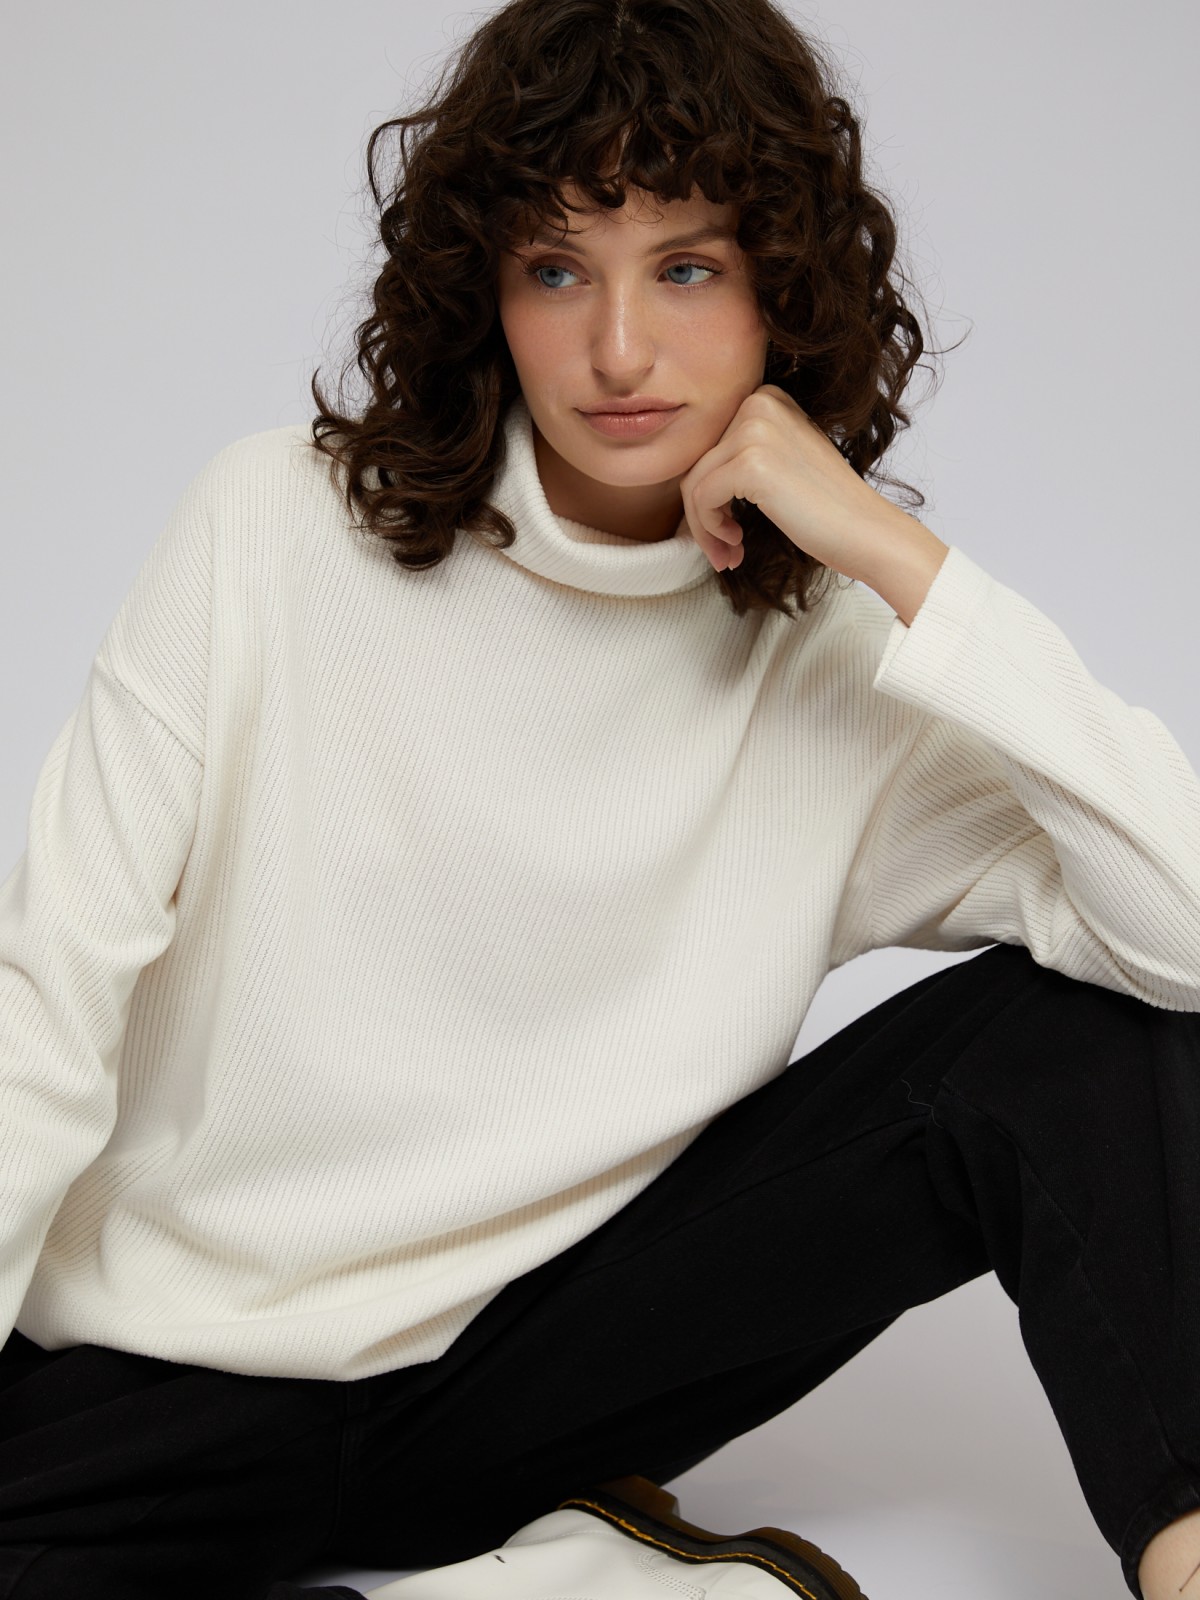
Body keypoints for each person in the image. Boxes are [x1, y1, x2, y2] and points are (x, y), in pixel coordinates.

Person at [0, 0, 1198, 1597]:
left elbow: (1183, 945)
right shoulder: (271, 531)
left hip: (524, 1384)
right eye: (557, 270)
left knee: (1085, 1036)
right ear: (483, 294)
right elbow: (42, 1009)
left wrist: (900, 560)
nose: (619, 351)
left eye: (687, 268)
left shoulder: (843, 665)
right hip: (162, 1387)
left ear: (783, 290)